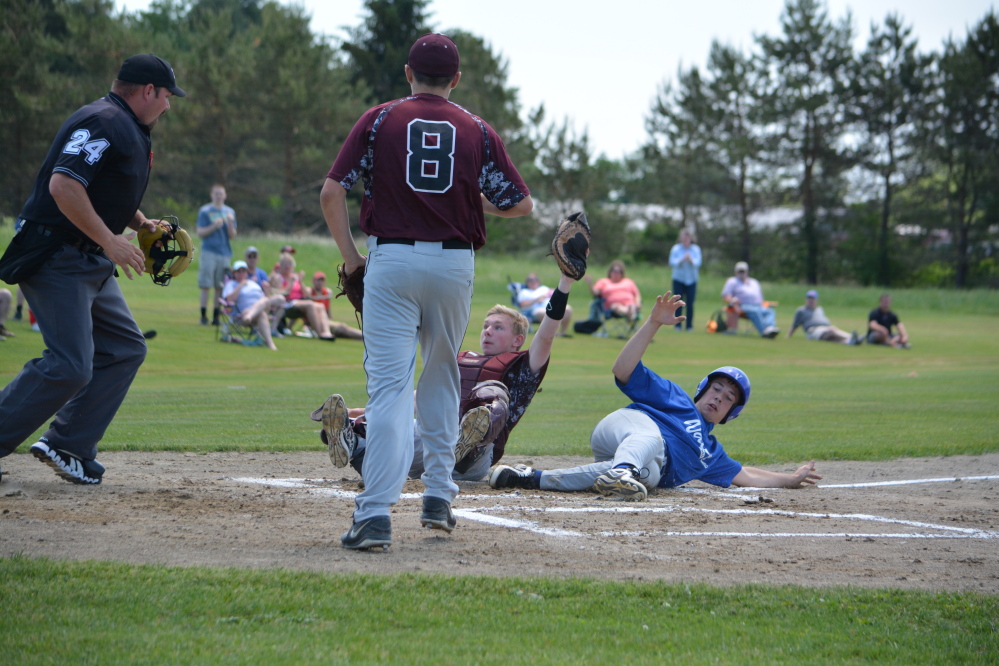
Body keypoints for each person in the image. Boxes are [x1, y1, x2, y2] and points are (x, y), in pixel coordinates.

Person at [319, 33, 533, 550]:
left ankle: (374, 515)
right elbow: (521, 204)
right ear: (455, 80)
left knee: (391, 390)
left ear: (408, 73)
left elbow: (332, 192)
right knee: (441, 376)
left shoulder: (377, 119)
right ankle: (439, 493)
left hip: (391, 259)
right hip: (454, 263)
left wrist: (352, 260)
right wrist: (465, 199)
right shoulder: (476, 128)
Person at [0, 53, 184, 485]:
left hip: (85, 258)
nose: (169, 105)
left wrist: (138, 223)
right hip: (58, 255)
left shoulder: (126, 125)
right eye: (167, 96)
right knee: (70, 365)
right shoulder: (103, 120)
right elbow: (64, 185)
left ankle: (69, 444)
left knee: (125, 348)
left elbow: (101, 186)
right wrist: (109, 240)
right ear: (147, 91)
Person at [490, 291, 822, 499]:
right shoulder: (675, 398)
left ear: (729, 415)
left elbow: (746, 476)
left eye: (728, 398)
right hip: (624, 429)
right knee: (651, 444)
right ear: (702, 390)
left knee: (647, 478)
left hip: (641, 463)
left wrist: (790, 480)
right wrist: (651, 324)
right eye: (716, 388)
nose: (719, 397)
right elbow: (622, 369)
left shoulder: (710, 453)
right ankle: (622, 470)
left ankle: (530, 478)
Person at [319, 273, 578, 486]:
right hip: (434, 436)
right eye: (486, 326)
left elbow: (546, 334)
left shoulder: (522, 369)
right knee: (382, 424)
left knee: (491, 391)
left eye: (498, 327)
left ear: (517, 340)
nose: (488, 331)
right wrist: (369, 414)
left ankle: (468, 443)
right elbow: (422, 397)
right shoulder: (460, 357)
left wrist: (565, 282)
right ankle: (352, 443)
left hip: (474, 459)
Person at [270, 254, 342, 341]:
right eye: (285, 263)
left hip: (299, 302)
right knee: (310, 305)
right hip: (287, 304)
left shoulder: (295, 278)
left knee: (320, 306)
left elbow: (307, 294)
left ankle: (327, 332)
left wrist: (300, 281)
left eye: (289, 263)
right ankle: (320, 333)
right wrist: (291, 284)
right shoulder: (278, 278)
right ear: (280, 265)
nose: (287, 266)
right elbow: (282, 294)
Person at [196, 184, 237, 325]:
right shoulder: (205, 211)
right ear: (212, 195)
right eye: (216, 194)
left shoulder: (230, 212)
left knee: (220, 285)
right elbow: (200, 232)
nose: (219, 196)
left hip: (224, 252)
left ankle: (216, 316)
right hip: (209, 251)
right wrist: (214, 226)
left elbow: (232, 236)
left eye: (221, 194)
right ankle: (203, 315)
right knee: (206, 284)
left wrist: (230, 223)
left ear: (225, 195)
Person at [221, 260, 283, 350]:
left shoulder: (253, 284)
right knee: (262, 314)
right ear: (234, 273)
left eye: (244, 271)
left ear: (247, 272)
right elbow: (229, 299)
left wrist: (267, 291)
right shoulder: (231, 284)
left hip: (259, 308)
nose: (241, 273)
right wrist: (241, 285)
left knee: (278, 298)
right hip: (243, 312)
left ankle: (249, 316)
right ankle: (271, 344)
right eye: (238, 271)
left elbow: (265, 298)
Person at [721, 261, 779, 338]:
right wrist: (733, 301)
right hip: (743, 306)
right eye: (740, 271)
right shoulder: (732, 281)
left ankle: (770, 328)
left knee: (770, 311)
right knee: (754, 311)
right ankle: (764, 331)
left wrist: (765, 304)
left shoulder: (754, 282)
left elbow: (760, 298)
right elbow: (726, 296)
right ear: (736, 271)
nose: (741, 273)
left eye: (743, 271)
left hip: (758, 306)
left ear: (747, 271)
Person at [787, 290, 861, 345]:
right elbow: (795, 325)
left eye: (812, 299)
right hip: (813, 330)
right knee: (830, 333)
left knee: (833, 331)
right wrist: (788, 335)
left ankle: (851, 340)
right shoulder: (801, 310)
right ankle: (852, 338)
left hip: (826, 328)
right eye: (809, 298)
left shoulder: (819, 309)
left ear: (816, 300)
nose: (811, 300)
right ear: (806, 299)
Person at [517, 272, 573, 337]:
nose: (533, 281)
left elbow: (556, 295)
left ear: (538, 281)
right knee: (544, 312)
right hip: (535, 310)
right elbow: (522, 304)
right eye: (530, 280)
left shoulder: (544, 289)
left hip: (552, 307)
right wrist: (536, 300)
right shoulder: (524, 292)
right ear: (527, 282)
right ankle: (554, 333)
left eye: (535, 279)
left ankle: (563, 332)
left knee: (568, 308)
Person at [668, 228, 701, 331]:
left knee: (690, 303)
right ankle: (677, 324)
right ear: (681, 238)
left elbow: (698, 263)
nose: (686, 239)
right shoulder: (676, 249)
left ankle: (689, 325)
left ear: (691, 238)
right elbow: (672, 262)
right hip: (679, 279)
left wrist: (690, 260)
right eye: (684, 237)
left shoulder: (696, 249)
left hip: (691, 280)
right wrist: (682, 259)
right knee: (678, 302)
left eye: (688, 237)